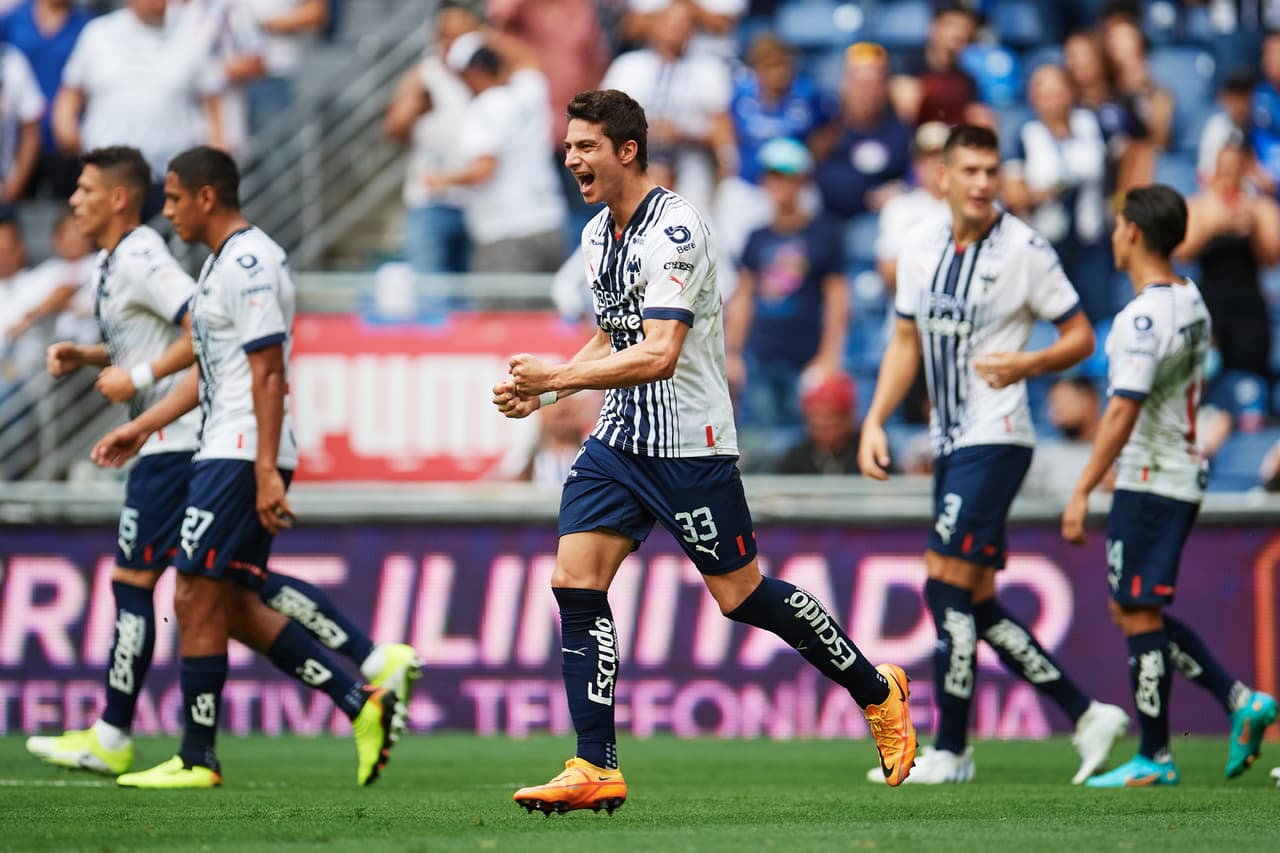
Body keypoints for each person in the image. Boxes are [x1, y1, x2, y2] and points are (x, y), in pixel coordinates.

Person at [492, 89, 917, 813]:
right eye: (568, 147)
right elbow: (618, 333)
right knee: (575, 579)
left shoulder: (680, 231)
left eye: (586, 146)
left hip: (692, 444)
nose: (571, 159)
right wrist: (553, 392)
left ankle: (877, 690)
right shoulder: (598, 235)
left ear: (628, 150)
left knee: (742, 596)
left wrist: (559, 377)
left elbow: (659, 352)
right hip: (621, 440)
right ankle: (595, 763)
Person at [84, 146, 408, 789]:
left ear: (207, 197)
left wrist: (263, 469)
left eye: (174, 198)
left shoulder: (252, 260)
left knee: (192, 590)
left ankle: (198, 757)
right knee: (228, 602)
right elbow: (213, 371)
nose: (167, 210)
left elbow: (267, 371)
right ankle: (359, 701)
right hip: (221, 443)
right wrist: (143, 425)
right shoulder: (217, 266)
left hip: (239, 450)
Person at [857, 124, 1130, 785]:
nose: (982, 183)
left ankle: (950, 750)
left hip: (998, 432)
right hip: (950, 439)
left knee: (941, 583)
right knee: (973, 599)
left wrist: (1028, 362)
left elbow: (1081, 336)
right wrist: (874, 420)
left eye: (991, 170)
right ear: (942, 176)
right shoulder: (920, 244)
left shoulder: (1026, 249)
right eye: (970, 170)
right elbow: (901, 341)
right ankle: (1086, 711)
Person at [1062, 183, 1278, 787]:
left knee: (1134, 610)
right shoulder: (1191, 298)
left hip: (1151, 477)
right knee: (1136, 606)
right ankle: (1239, 702)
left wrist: (1082, 487)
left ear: (1132, 231)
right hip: (1177, 470)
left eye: (1115, 226)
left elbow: (1122, 410)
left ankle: (1156, 754)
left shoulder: (1141, 317)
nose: (1111, 236)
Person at [725, 136, 847, 455]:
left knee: (800, 445)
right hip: (761, 357)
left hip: (805, 357)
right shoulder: (756, 237)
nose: (780, 185)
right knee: (759, 443)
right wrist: (734, 352)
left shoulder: (823, 234)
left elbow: (837, 299)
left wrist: (829, 356)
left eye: (788, 176)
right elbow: (745, 297)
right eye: (773, 176)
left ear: (802, 181)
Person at [52, 0, 225, 211]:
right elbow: (70, 93)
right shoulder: (98, 33)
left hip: (169, 181)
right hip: (106, 179)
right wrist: (66, 127)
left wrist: (214, 163)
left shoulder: (191, 36)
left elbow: (213, 103)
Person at [430, 29, 565, 273]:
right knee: (546, 311)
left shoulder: (483, 108)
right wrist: (486, 36)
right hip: (549, 223)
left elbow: (484, 169)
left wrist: (442, 179)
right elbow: (527, 57)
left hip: (504, 232)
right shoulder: (529, 92)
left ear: (474, 72)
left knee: (503, 311)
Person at [600, 0, 736, 213]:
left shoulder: (708, 70)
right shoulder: (627, 67)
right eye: (669, 22)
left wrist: (684, 133)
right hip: (634, 178)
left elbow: (724, 138)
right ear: (653, 25)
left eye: (684, 23)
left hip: (691, 183)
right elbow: (599, 124)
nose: (677, 29)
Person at [1003, 64, 1113, 325]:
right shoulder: (1025, 135)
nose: (1051, 99)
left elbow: (1133, 149)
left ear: (1070, 92)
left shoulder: (1092, 124)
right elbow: (1014, 196)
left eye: (1057, 90)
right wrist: (1047, 192)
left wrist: (1121, 197)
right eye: (1044, 91)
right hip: (1047, 244)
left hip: (1091, 239)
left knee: (1095, 315)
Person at [383, 2, 477, 275]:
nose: (452, 41)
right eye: (446, 33)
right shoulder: (423, 74)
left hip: (479, 203)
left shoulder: (484, 71)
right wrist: (412, 108)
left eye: (460, 33)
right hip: (429, 201)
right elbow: (393, 129)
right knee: (430, 297)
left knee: (471, 303)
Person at [1177, 141, 1280, 386]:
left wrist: (1252, 225)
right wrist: (1214, 225)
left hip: (1248, 304)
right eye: (1225, 167)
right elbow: (1181, 253)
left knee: (1251, 377)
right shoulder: (1200, 206)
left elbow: (1272, 258)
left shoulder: (1260, 208)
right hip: (1211, 302)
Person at [0, 0, 93, 199]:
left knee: (68, 214)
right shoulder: (12, 19)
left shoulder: (87, 24)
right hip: (17, 139)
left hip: (64, 142)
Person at [812, 41, 912, 221]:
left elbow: (913, 174)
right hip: (837, 223)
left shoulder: (900, 131)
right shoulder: (829, 132)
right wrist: (870, 196)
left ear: (885, 88)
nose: (868, 93)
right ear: (846, 87)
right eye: (861, 84)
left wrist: (902, 190)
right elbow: (825, 182)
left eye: (874, 84)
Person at [875, 120, 949, 292]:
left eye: (943, 157)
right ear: (916, 165)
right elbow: (889, 274)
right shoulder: (899, 207)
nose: (936, 165)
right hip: (909, 312)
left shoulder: (970, 207)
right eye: (928, 157)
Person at [773, 370, 861, 476]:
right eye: (816, 427)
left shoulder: (867, 453)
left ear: (849, 419)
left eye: (831, 427)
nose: (825, 436)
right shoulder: (795, 459)